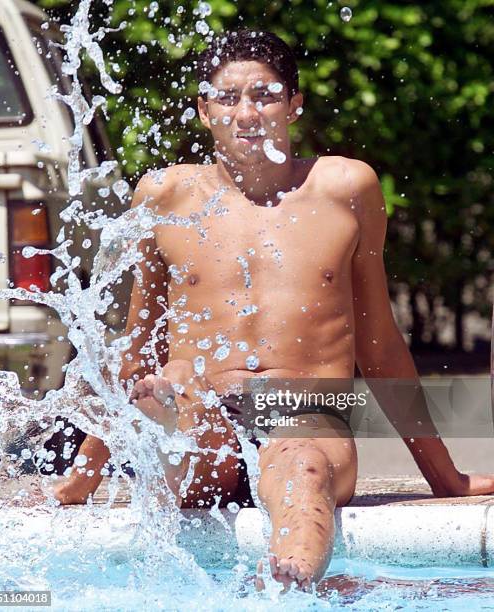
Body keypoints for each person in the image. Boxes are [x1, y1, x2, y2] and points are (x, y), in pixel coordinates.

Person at [53, 30, 494, 591]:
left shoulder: (344, 187)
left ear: (294, 103)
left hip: (304, 414)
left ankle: (288, 589)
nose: (246, 113)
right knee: (174, 382)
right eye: (226, 97)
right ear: (202, 108)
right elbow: (141, 344)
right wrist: (82, 477)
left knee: (301, 468)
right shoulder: (164, 195)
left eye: (264, 95)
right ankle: (165, 425)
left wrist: (444, 478)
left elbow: (378, 342)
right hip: (202, 416)